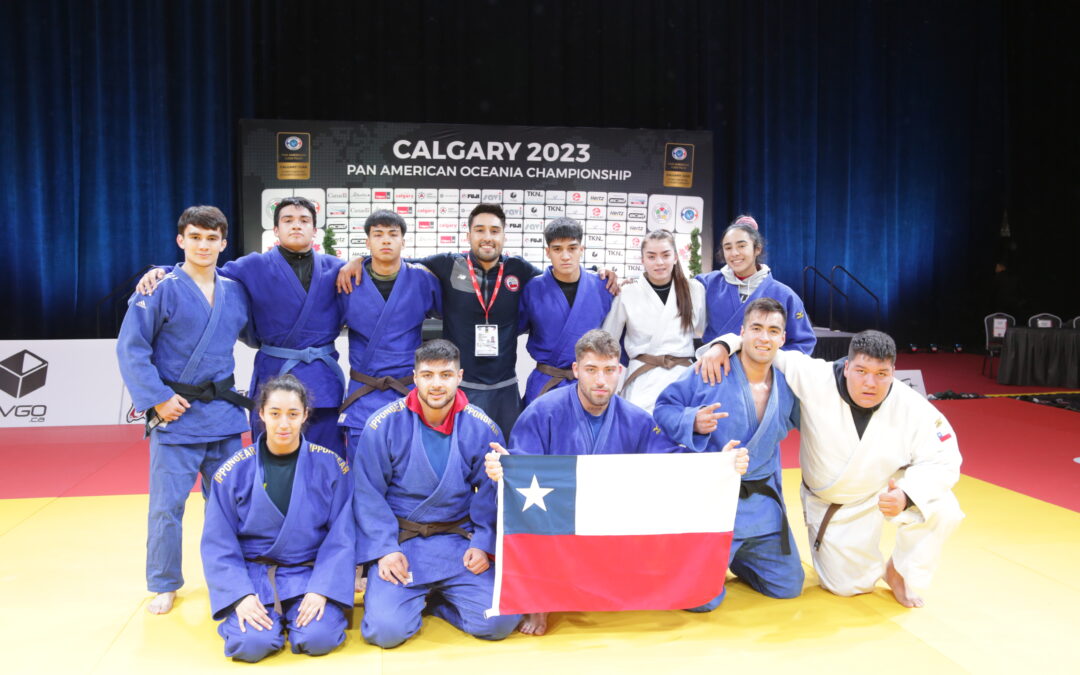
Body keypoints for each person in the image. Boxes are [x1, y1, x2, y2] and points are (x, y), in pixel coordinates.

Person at [485, 329, 747, 635]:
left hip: (608, 527)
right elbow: (519, 469)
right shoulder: (542, 413)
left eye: (609, 371)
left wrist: (720, 462)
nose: (600, 381)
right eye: (591, 370)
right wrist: (502, 468)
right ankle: (539, 600)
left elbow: (672, 464)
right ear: (576, 370)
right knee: (528, 511)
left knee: (705, 596)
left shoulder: (636, 419)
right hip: (557, 526)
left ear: (619, 372)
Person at [705, 329, 964, 607]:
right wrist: (723, 345)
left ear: (893, 372)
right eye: (861, 371)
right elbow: (764, 345)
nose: (870, 383)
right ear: (847, 367)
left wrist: (907, 494)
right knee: (847, 586)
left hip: (885, 488)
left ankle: (900, 572)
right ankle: (856, 560)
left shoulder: (912, 406)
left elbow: (945, 458)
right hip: (836, 504)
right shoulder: (815, 377)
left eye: (881, 374)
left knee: (943, 508)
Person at [338, 204, 618, 437]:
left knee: (507, 457)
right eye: (480, 230)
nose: (487, 237)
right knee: (458, 458)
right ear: (469, 234)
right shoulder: (447, 264)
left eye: (494, 231)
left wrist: (599, 271)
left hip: (505, 386)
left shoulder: (518, 269)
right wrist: (359, 260)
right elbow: (393, 258)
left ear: (504, 236)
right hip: (461, 385)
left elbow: (560, 273)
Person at [116, 205, 252, 615]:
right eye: (195, 237)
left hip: (225, 418)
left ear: (224, 243)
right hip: (175, 415)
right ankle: (164, 582)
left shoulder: (235, 290)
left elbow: (259, 333)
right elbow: (131, 348)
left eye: (212, 238)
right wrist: (157, 398)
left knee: (231, 505)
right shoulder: (158, 288)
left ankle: (230, 576)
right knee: (166, 508)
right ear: (181, 240)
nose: (203, 245)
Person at [136, 196, 348, 456]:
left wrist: (360, 262)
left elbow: (377, 276)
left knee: (328, 456)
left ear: (314, 230)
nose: (296, 226)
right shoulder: (252, 265)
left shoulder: (338, 268)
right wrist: (164, 270)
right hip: (276, 371)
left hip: (322, 377)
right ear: (276, 230)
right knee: (272, 455)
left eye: (304, 220)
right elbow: (205, 272)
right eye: (288, 220)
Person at [352, 340, 521, 648]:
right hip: (403, 545)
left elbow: (488, 492)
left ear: (459, 376)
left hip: (458, 544)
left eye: (445, 375)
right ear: (414, 377)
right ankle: (416, 599)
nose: (436, 384)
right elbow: (367, 494)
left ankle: (437, 604)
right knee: (384, 632)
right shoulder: (382, 425)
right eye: (428, 375)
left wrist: (483, 544)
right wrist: (384, 549)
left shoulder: (482, 427)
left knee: (500, 621)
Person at [653, 298, 804, 611]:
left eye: (773, 331)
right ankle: (695, 559)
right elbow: (664, 408)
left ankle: (741, 561)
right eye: (756, 329)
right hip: (716, 504)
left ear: (782, 338)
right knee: (702, 602)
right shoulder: (712, 370)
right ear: (742, 333)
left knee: (788, 587)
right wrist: (692, 420)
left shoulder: (790, 383)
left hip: (762, 506)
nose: (764, 337)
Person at [201, 375, 354, 662]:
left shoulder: (331, 466)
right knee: (252, 645)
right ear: (260, 414)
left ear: (305, 415)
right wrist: (240, 595)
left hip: (308, 575)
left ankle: (303, 612)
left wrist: (322, 589)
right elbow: (218, 544)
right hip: (254, 577)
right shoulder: (232, 472)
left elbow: (342, 538)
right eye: (275, 413)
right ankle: (249, 615)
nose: (284, 424)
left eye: (293, 414)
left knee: (317, 639)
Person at [337, 210, 441, 464]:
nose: (386, 241)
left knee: (410, 470)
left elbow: (450, 321)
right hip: (364, 391)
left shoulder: (423, 279)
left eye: (393, 235)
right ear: (367, 242)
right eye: (378, 235)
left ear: (403, 242)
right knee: (362, 472)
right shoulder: (348, 280)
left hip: (408, 390)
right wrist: (356, 262)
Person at [695, 216, 815, 379]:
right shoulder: (707, 284)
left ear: (757, 249)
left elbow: (803, 343)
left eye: (742, 246)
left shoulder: (785, 295)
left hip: (763, 378)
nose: (734, 253)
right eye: (728, 247)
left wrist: (766, 365)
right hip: (714, 375)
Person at [602, 229, 706, 413]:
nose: (659, 262)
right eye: (651, 256)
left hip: (683, 379)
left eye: (665, 255)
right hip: (642, 379)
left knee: (681, 435)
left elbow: (701, 331)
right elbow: (607, 340)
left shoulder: (695, 290)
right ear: (642, 260)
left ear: (675, 257)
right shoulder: (627, 292)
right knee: (640, 435)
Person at [518, 218, 613, 406]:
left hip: (589, 385)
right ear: (548, 252)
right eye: (557, 249)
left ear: (581, 250)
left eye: (572, 248)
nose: (565, 256)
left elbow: (617, 337)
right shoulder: (533, 289)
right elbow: (511, 329)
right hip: (546, 382)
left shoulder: (603, 287)